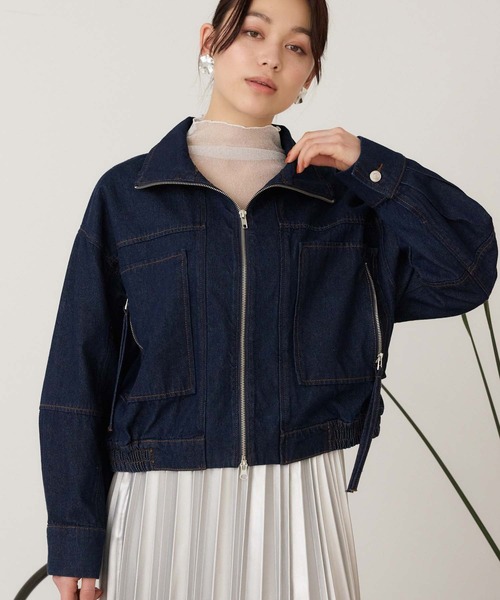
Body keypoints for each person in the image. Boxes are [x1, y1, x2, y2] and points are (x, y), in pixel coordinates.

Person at [38, 0, 497, 598]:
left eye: (296, 47)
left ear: (310, 73)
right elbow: (77, 373)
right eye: (253, 33)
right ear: (210, 41)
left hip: (302, 498)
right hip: (160, 502)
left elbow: (465, 271)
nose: (271, 57)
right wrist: (74, 536)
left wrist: (371, 166)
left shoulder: (340, 203)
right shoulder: (129, 195)